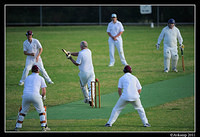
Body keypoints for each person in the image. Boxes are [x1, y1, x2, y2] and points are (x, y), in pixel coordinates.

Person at [15, 65, 50, 131]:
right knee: (41, 111)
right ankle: (44, 127)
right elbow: (43, 90)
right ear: (38, 71)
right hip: (36, 96)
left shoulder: (27, 78)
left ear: (32, 71)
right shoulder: (40, 78)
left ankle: (17, 127)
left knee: (23, 111)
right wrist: (43, 96)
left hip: (25, 96)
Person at [65, 41, 95, 106]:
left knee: (83, 85)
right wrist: (71, 53)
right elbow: (78, 53)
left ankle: (87, 98)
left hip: (84, 73)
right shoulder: (89, 51)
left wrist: (70, 58)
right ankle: (91, 99)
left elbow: (77, 63)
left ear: (81, 46)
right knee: (91, 86)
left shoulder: (81, 53)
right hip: (91, 72)